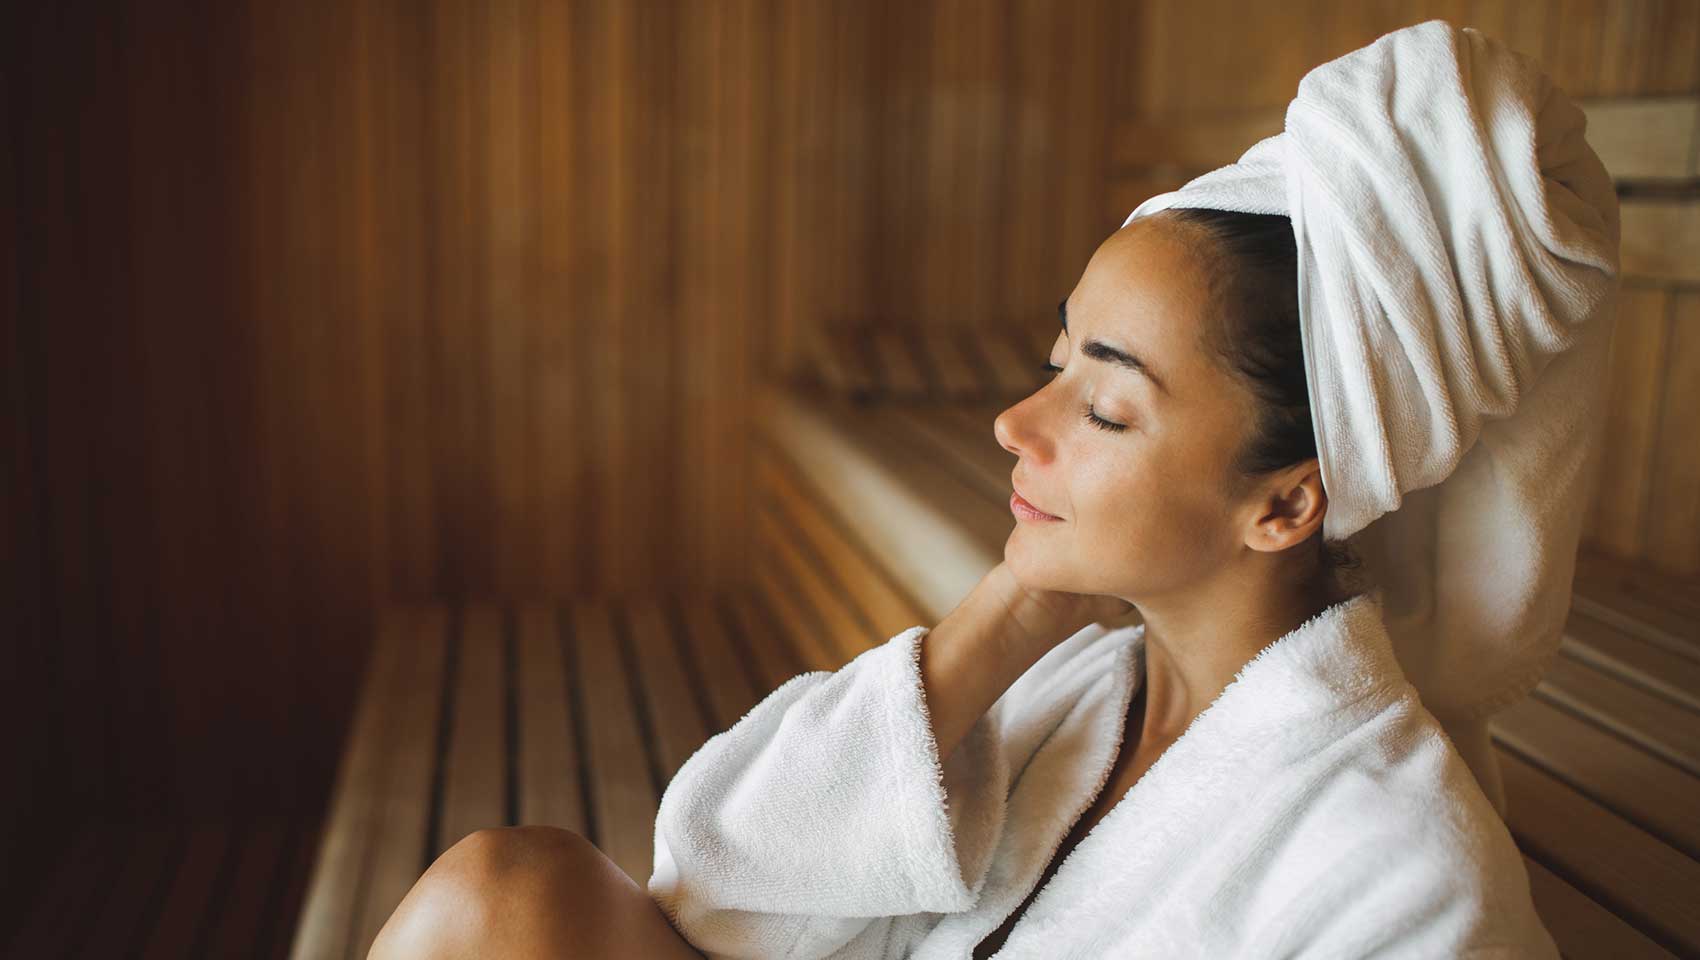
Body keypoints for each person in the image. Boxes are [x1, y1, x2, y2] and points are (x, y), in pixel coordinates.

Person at [368, 18, 1617, 959]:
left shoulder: (1400, 878)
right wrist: (1005, 613)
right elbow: (715, 884)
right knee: (505, 890)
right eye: (1052, 360)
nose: (1015, 423)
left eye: (1104, 404)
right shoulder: (1085, 688)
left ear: (1283, 504)